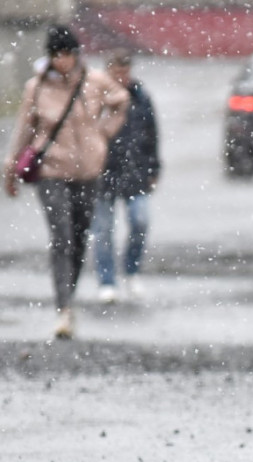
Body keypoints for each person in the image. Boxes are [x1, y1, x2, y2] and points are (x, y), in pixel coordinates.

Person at [3, 24, 129, 339]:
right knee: (61, 237)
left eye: (68, 54)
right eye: (57, 55)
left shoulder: (94, 82)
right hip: (51, 171)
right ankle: (64, 308)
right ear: (49, 57)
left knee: (78, 235)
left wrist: (104, 133)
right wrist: (10, 167)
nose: (63, 61)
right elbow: (24, 128)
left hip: (88, 171)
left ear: (76, 54)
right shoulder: (37, 87)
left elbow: (121, 100)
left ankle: (68, 295)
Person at [91, 48, 160, 303]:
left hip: (135, 173)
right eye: (116, 71)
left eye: (125, 71)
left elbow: (152, 135)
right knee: (103, 230)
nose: (121, 77)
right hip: (101, 174)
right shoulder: (96, 98)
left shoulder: (140, 98)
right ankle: (107, 281)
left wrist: (153, 168)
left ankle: (131, 270)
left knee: (140, 222)